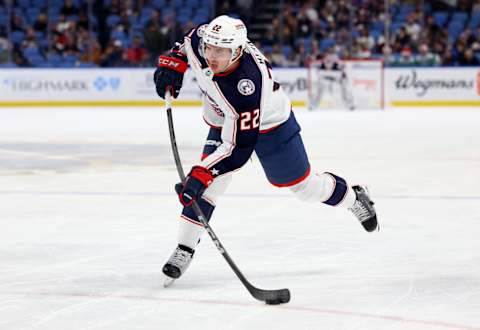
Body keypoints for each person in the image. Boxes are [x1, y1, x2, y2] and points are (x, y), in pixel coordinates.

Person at [153, 15, 379, 284]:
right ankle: (184, 248)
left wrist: (202, 172)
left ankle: (354, 198)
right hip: (224, 118)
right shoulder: (203, 40)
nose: (212, 55)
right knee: (208, 187)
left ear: (237, 51)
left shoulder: (247, 85)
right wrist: (175, 62)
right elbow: (187, 41)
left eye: (221, 51)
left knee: (304, 188)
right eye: (210, 48)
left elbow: (238, 148)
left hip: (270, 123)